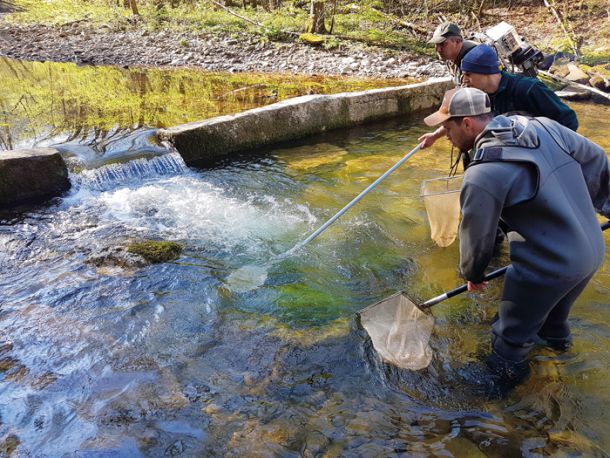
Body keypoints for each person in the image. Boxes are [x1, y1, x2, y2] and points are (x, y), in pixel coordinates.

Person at [423, 87, 610, 395]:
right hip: (591, 252)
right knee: (552, 324)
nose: (445, 134)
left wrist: (473, 274)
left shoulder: (482, 172)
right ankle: (561, 370)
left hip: (546, 268)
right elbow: (596, 156)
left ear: (468, 123)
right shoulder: (541, 126)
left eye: (447, 126)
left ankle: (499, 407)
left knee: (508, 338)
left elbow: (476, 235)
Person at [461, 44, 579, 132]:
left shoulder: (528, 88)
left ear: (485, 71)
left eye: (468, 74)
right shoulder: (482, 98)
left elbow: (569, 121)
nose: (464, 80)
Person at [420, 22, 478, 149]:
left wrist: (435, 135)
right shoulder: (451, 59)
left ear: (458, 42)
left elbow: (463, 111)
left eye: (442, 44)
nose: (438, 49)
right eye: (436, 44)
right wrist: (434, 136)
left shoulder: (471, 63)